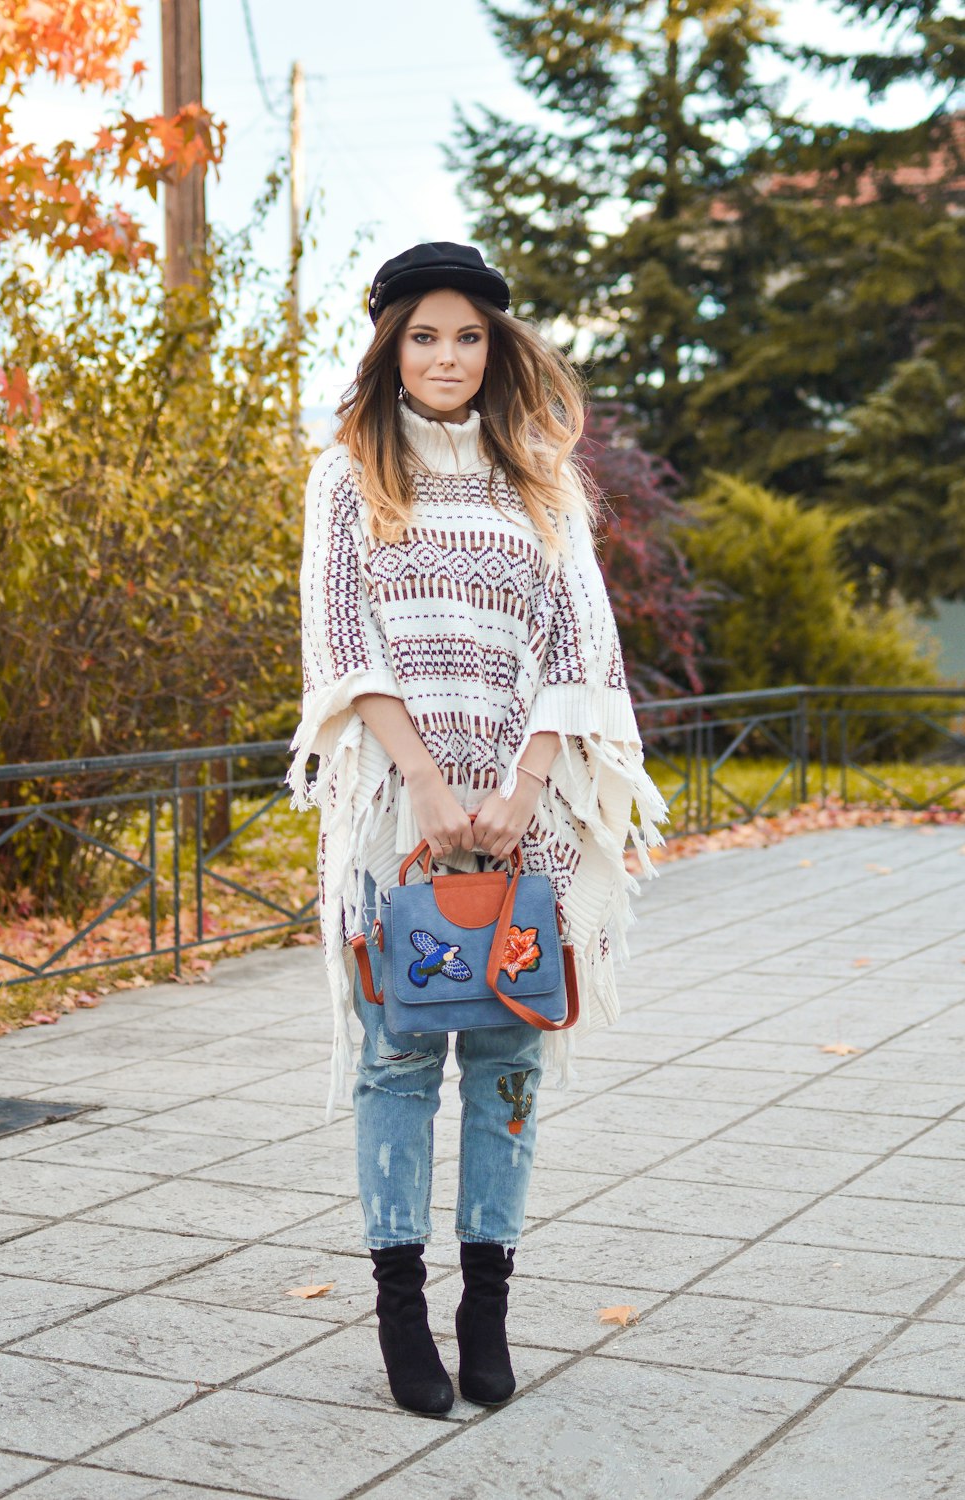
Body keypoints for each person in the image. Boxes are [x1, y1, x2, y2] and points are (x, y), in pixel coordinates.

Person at [287, 241, 667, 1417]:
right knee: (398, 1058)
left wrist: (519, 784)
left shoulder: (542, 479)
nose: (446, 356)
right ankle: (401, 1309)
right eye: (423, 335)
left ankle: (484, 1307)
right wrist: (430, 786)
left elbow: (580, 648)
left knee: (505, 1055)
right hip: (396, 816)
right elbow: (342, 649)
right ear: (390, 345)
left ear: (496, 348)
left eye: (466, 336)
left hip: (525, 810)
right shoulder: (348, 476)